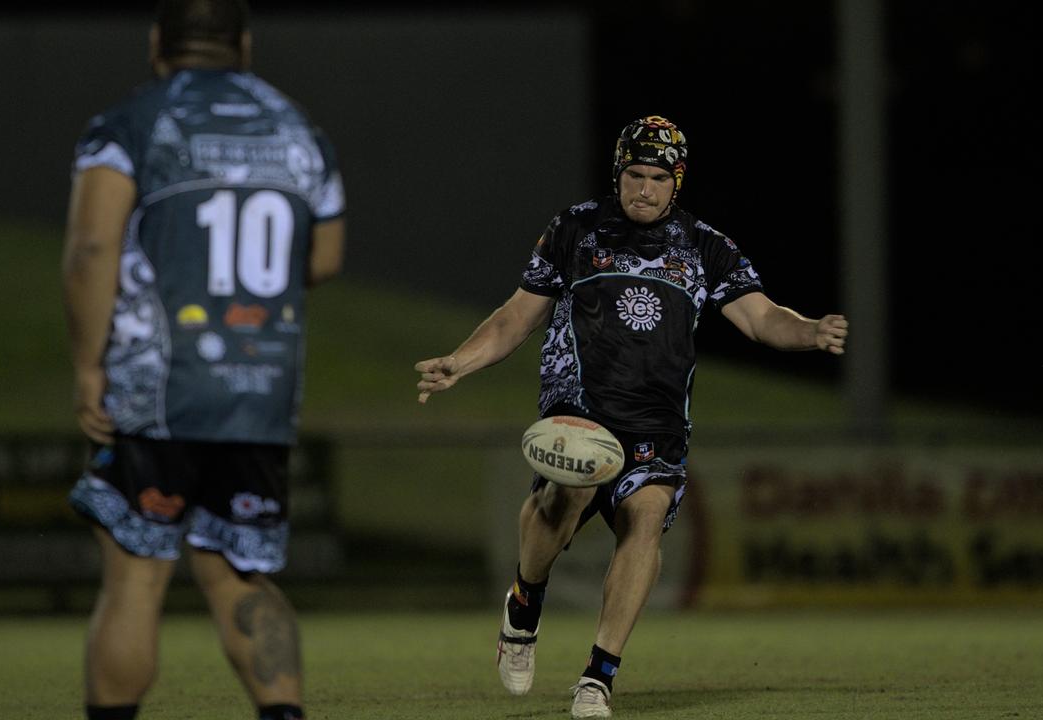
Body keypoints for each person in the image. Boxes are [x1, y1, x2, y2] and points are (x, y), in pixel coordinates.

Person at [415, 115, 848, 718]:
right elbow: (518, 315)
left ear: (679, 182)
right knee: (559, 506)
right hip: (581, 408)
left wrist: (808, 332)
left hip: (658, 423)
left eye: (657, 178)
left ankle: (598, 677)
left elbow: (760, 317)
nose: (644, 189)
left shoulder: (705, 246)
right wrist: (461, 362)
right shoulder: (575, 229)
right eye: (634, 175)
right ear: (618, 174)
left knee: (643, 524)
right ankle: (524, 604)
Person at [61, 1, 345, 718]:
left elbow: (93, 248)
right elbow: (327, 256)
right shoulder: (300, 128)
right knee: (237, 575)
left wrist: (89, 366)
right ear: (244, 45)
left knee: (137, 578)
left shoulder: (133, 121)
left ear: (158, 44)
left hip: (159, 387)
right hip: (258, 394)